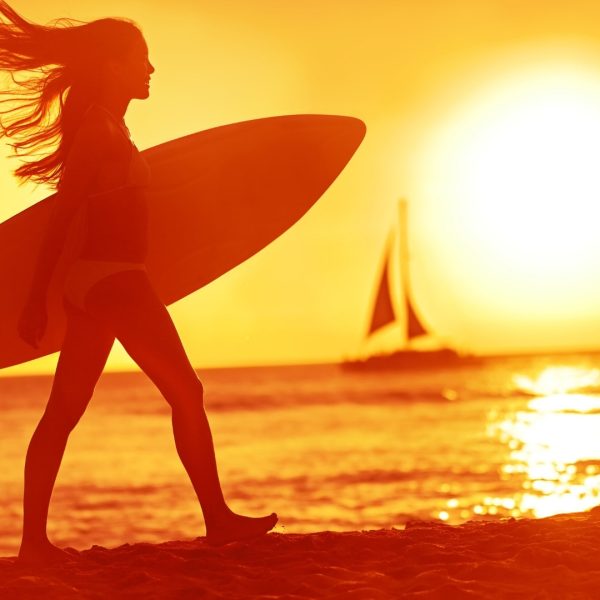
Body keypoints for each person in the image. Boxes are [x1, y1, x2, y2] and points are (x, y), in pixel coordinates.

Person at [0, 2, 277, 565]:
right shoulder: (100, 130)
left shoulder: (110, 125)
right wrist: (32, 301)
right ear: (109, 65)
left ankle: (33, 543)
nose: (151, 70)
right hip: (116, 281)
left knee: (64, 411)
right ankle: (218, 518)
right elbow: (63, 213)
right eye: (141, 60)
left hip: (95, 285)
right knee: (186, 391)